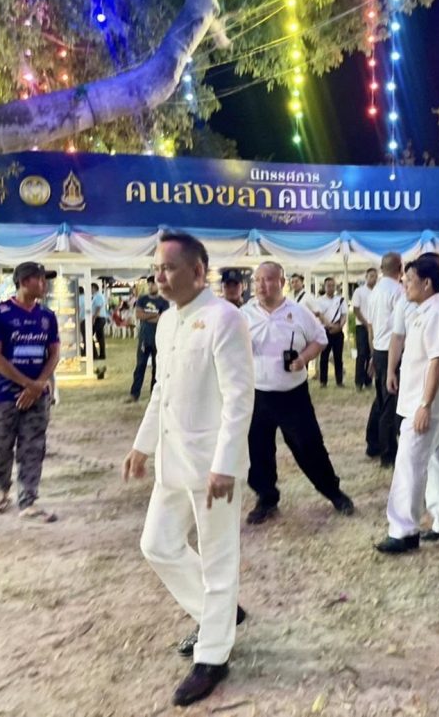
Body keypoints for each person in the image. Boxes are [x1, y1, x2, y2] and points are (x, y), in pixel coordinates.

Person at [121, 232, 254, 708]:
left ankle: (213, 656)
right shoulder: (165, 322)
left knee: (218, 560)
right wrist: (142, 445)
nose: (159, 276)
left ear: (198, 272)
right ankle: (219, 613)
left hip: (213, 467)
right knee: (157, 544)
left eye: (169, 268)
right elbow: (162, 388)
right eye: (156, 268)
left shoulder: (225, 319)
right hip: (172, 459)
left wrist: (225, 463)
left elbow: (239, 397)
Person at [241, 262, 355, 524]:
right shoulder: (244, 314)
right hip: (257, 393)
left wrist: (303, 358)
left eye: (268, 279)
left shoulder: (299, 312)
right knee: (257, 448)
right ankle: (266, 498)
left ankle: (333, 492)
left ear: (282, 282)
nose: (261, 285)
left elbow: (320, 340)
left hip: (293, 394)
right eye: (257, 280)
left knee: (308, 445)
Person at [375, 256, 439, 553]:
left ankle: (403, 530)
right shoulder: (425, 310)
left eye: (410, 280)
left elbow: (438, 359)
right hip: (422, 402)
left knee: (409, 465)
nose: (405, 285)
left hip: (425, 406)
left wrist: (425, 404)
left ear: (427, 283)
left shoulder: (436, 312)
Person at [0, 261, 60, 523]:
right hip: (5, 395)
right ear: (25, 281)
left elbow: (54, 353)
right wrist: (28, 383)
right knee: (2, 446)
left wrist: (39, 383)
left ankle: (28, 499)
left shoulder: (47, 316)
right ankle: (2, 490)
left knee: (33, 446)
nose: (45, 284)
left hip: (37, 395)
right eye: (41, 279)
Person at [365, 252, 404, 467]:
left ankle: (373, 443)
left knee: (381, 399)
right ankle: (388, 453)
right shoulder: (398, 291)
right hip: (392, 350)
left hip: (379, 349)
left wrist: (372, 353)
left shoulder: (375, 291)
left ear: (381, 268)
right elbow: (401, 327)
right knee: (390, 403)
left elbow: (370, 326)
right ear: (401, 268)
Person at [129, 275, 170, 402]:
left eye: (153, 284)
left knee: (157, 367)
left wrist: (147, 316)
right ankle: (134, 393)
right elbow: (139, 315)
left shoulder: (164, 301)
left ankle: (154, 395)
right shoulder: (142, 299)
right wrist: (154, 315)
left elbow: (163, 318)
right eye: (149, 284)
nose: (151, 286)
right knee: (140, 366)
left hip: (158, 338)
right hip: (144, 337)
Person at [317, 277, 347, 388]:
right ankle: (323, 381)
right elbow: (320, 315)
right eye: (328, 286)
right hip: (325, 330)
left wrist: (339, 327)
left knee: (338, 357)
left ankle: (339, 381)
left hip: (338, 331)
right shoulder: (319, 300)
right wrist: (329, 325)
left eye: (333, 285)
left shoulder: (340, 300)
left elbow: (344, 315)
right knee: (324, 357)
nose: (331, 288)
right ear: (324, 287)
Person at [351, 268, 377, 391]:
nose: (373, 278)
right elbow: (356, 310)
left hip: (375, 326)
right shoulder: (359, 291)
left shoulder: (378, 291)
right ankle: (358, 382)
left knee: (372, 354)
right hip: (362, 326)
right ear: (366, 277)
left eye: (375, 276)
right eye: (371, 276)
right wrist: (366, 324)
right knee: (362, 354)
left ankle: (368, 381)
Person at [90, 282, 108, 360]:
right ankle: (101, 355)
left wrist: (93, 318)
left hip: (99, 318)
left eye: (90, 288)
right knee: (100, 337)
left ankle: (95, 354)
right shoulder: (96, 296)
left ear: (94, 288)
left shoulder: (98, 296)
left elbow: (98, 308)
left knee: (89, 334)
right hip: (99, 318)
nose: (90, 290)